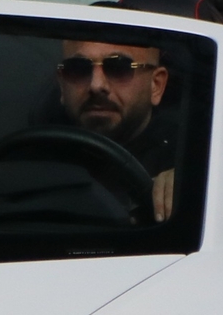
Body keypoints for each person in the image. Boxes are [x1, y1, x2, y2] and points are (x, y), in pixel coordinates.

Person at [55, 38, 179, 221]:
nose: (96, 85)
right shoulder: (30, 158)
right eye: (78, 68)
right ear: (62, 86)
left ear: (156, 85)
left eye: (119, 67)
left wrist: (192, 185)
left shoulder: (193, 156)